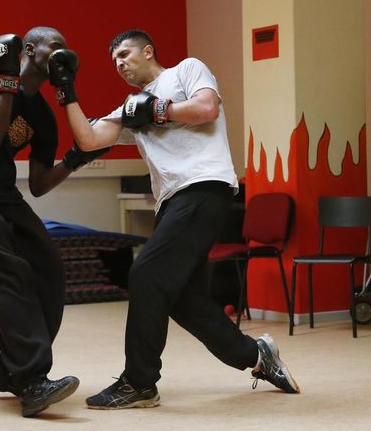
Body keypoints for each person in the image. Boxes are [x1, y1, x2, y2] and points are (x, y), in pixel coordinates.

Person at [47, 29, 300, 410]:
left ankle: (139, 382)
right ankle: (259, 356)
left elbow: (206, 109)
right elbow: (89, 139)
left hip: (204, 188)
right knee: (184, 300)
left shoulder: (186, 71)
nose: (120, 64)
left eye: (126, 54)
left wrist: (156, 109)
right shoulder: (132, 107)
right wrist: (66, 90)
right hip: (171, 203)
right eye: (114, 60)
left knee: (146, 274)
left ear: (149, 51)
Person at [0, 26, 108, 417]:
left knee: (49, 267)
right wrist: (8, 81)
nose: (63, 53)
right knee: (9, 273)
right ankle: (31, 380)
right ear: (30, 49)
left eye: (67, 48)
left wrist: (75, 160)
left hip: (2, 193)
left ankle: (9, 369)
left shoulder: (44, 114)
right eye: (55, 47)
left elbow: (40, 184)